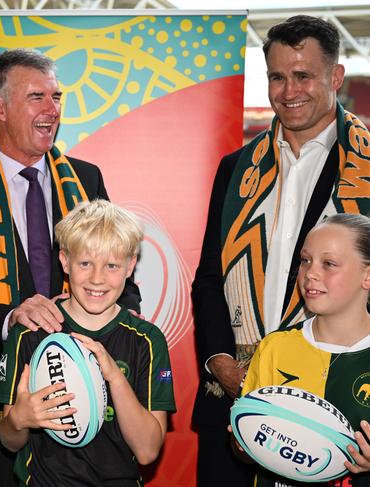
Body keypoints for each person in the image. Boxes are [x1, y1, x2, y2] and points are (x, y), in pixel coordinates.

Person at [0, 48, 141, 486]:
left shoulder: (87, 178)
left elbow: (120, 270)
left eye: (57, 97)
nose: (52, 110)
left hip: (86, 390)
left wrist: (129, 316)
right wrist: (10, 317)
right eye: (37, 97)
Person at [192, 15, 370, 486]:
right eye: (276, 76)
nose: (288, 90)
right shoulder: (236, 167)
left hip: (336, 402)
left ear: (335, 77)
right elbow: (208, 276)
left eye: (303, 75)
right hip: (232, 395)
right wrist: (218, 361)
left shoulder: (367, 164)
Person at [0, 200, 174, 485]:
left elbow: (147, 451)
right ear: (65, 260)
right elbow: (9, 440)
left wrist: (114, 376)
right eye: (85, 263)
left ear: (130, 266)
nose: (97, 279)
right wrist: (19, 420)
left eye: (112, 265)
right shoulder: (31, 332)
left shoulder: (147, 340)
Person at [240, 213, 370, 486]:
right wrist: (242, 437)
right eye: (305, 260)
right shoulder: (275, 346)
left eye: (329, 264)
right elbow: (244, 450)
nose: (310, 273)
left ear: (367, 276)